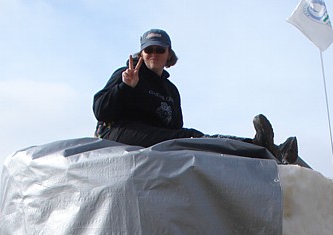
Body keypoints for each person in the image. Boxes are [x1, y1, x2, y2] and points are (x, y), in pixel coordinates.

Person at [93, 29, 298, 163]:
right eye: (148, 50)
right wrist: (126, 87)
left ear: (168, 55)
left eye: (159, 49)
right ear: (141, 53)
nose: (153, 54)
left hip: (154, 135)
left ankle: (263, 147)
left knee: (189, 138)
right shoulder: (128, 73)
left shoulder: (170, 91)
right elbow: (101, 111)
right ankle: (255, 147)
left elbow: (175, 127)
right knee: (188, 138)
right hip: (118, 132)